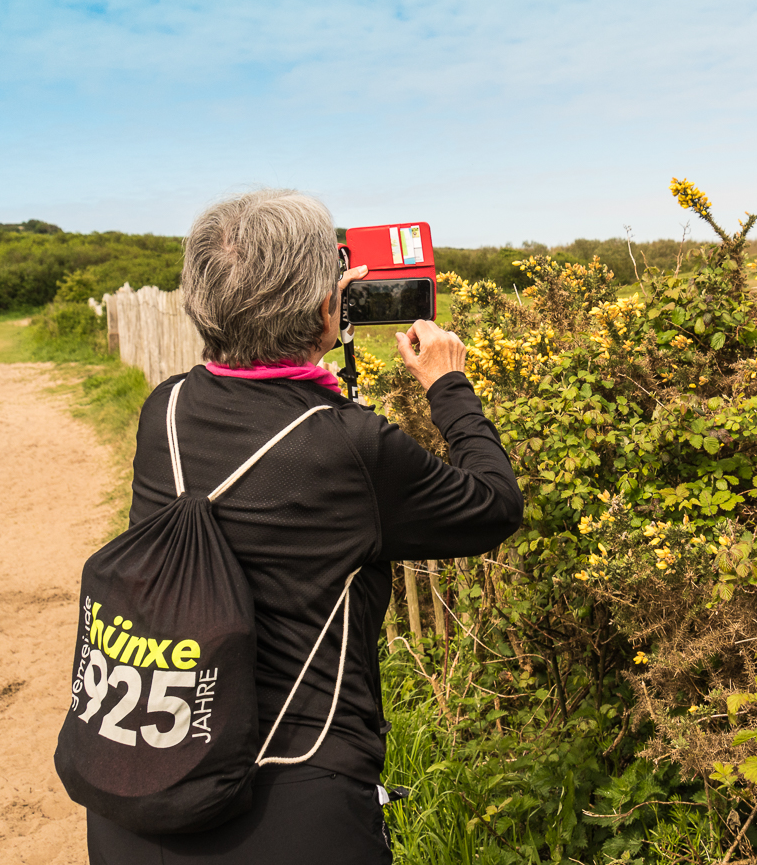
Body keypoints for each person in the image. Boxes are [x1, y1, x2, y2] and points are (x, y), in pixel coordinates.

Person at [85, 189, 522, 864]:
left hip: (145, 788)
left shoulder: (163, 412)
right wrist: (448, 385)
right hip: (293, 807)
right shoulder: (350, 446)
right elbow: (493, 504)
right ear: (328, 307)